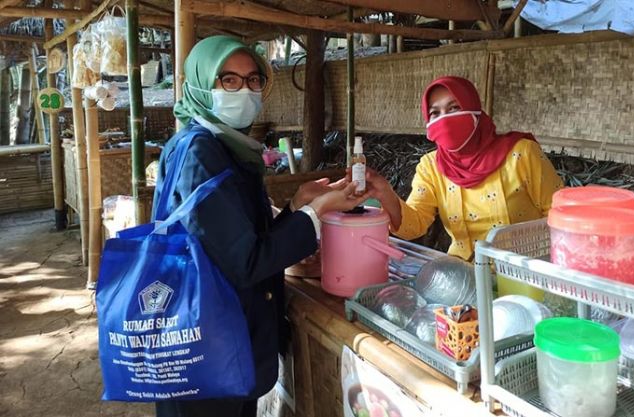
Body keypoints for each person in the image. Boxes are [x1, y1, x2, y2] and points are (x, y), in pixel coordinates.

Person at [152, 36, 366, 417]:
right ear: (200, 85)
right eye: (229, 80)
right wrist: (315, 214)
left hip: (221, 346)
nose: (245, 91)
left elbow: (238, 240)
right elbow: (248, 261)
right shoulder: (201, 152)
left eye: (253, 80)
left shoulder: (221, 146)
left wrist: (296, 204)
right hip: (208, 351)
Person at [364, 76, 564, 261]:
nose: (445, 119)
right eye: (435, 113)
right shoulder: (431, 167)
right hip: (463, 275)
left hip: (523, 274)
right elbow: (414, 225)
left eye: (454, 108)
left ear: (475, 111)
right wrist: (385, 193)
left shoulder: (521, 154)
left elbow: (560, 214)